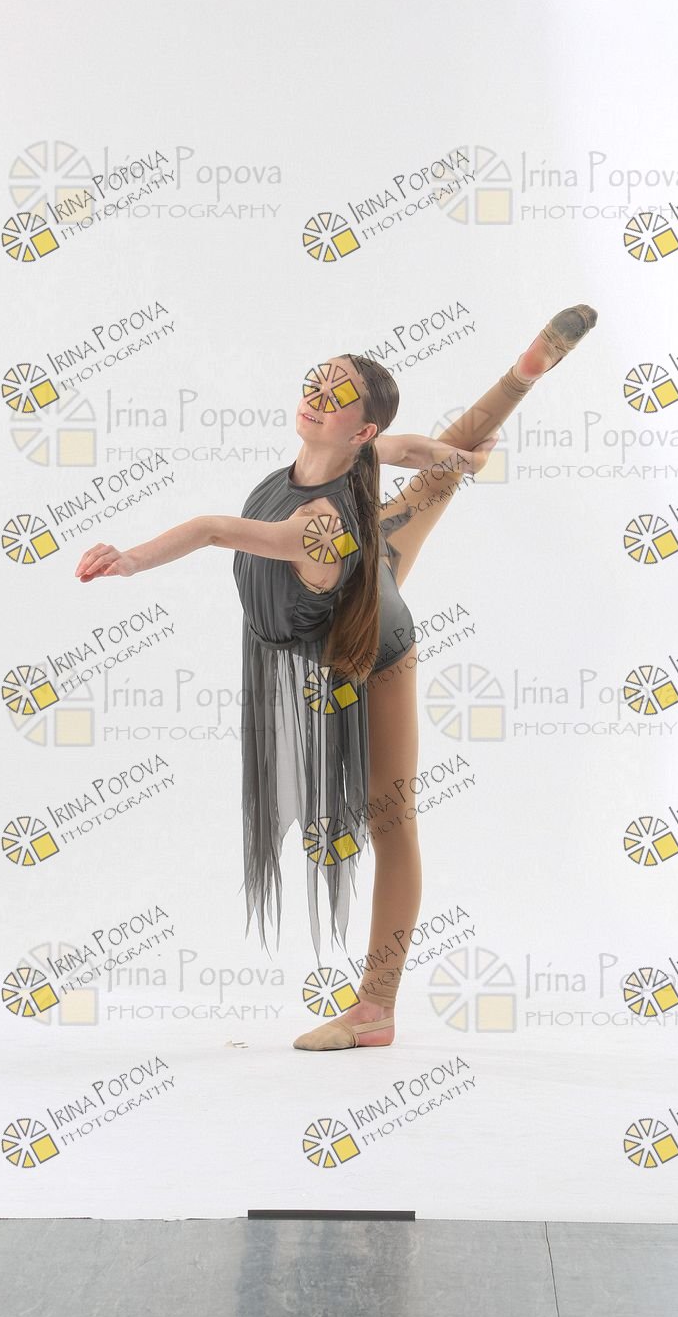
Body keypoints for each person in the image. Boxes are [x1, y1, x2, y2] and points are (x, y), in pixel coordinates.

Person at [75, 304, 597, 1050]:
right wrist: (451, 457)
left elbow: (211, 529)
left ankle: (375, 1009)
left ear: (359, 430)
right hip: (360, 573)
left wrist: (130, 559)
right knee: (448, 460)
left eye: (338, 395)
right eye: (317, 382)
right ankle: (524, 372)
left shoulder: (318, 525)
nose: (319, 396)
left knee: (391, 818)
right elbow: (406, 446)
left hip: (371, 639)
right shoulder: (337, 464)